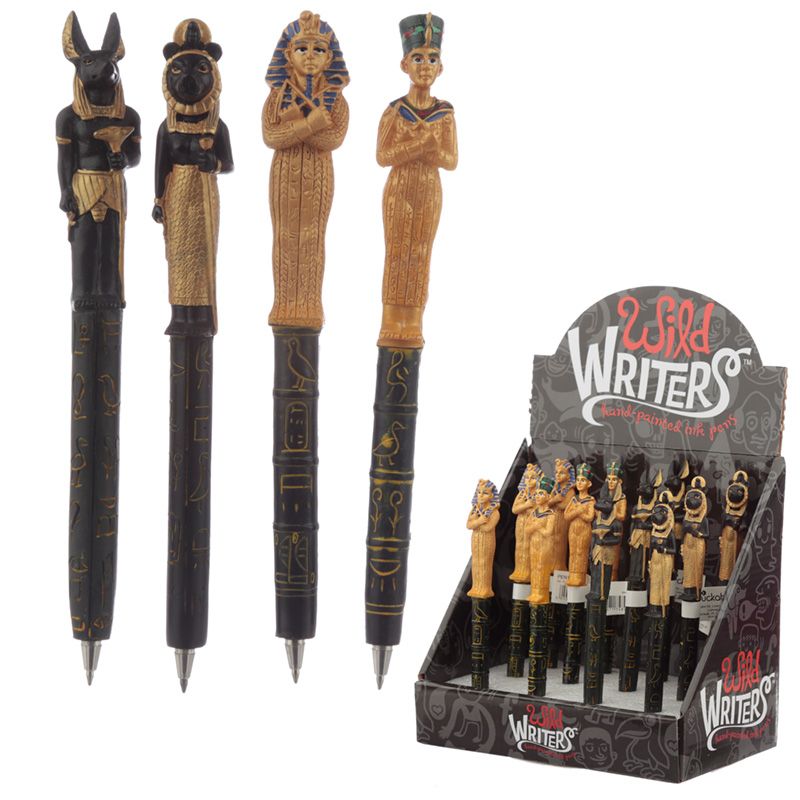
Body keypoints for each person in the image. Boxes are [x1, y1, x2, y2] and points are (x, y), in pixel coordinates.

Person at [262, 10, 349, 329]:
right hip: (284, 172)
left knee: (313, 236)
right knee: (285, 236)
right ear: (288, 55)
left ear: (329, 58)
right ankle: (284, 301)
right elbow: (271, 136)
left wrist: (297, 126)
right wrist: (311, 123)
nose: (310, 55)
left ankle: (310, 302)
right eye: (302, 48)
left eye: (318, 49)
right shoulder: (277, 97)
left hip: (319, 172)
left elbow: (333, 139)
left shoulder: (336, 100)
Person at [377, 13, 458, 348]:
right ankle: (390, 318)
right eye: (418, 58)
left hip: (428, 189)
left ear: (441, 68)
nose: (425, 66)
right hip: (400, 188)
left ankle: (412, 320)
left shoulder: (445, 113)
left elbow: (451, 160)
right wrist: (417, 146)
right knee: (397, 252)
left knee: (420, 253)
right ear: (404, 64)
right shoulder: (395, 111)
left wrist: (430, 148)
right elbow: (383, 155)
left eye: (432, 59)